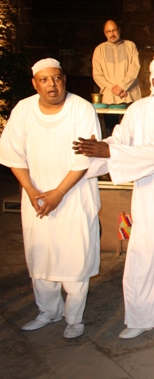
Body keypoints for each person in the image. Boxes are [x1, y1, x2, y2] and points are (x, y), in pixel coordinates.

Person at [74, 54, 154, 340]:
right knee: (144, 251)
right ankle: (143, 316)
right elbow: (120, 139)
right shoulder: (137, 109)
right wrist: (101, 147)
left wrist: (111, 152)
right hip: (146, 191)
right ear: (153, 81)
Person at [0, 58, 101, 339]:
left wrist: (58, 193)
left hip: (74, 195)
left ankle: (74, 318)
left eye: (56, 78)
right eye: (44, 80)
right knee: (41, 255)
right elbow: (12, 154)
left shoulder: (81, 108)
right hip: (37, 197)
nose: (52, 85)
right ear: (35, 84)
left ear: (64, 79)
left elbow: (84, 157)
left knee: (75, 256)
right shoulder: (24, 110)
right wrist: (31, 191)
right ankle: (48, 311)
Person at [92, 20, 142, 135]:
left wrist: (122, 87)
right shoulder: (99, 50)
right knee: (111, 132)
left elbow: (135, 68)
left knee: (131, 131)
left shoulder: (130, 46)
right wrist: (114, 88)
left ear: (119, 30)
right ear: (105, 33)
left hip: (129, 95)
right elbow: (97, 75)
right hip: (109, 97)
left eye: (114, 30)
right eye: (109, 31)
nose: (112, 34)